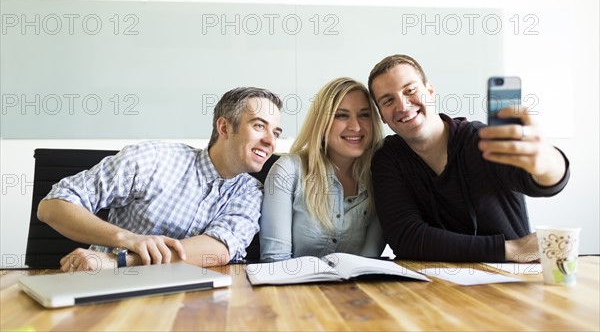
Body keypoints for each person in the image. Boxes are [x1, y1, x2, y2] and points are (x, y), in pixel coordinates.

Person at [38, 87, 283, 272]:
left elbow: (217, 250)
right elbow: (52, 206)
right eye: (260, 126)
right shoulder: (154, 159)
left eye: (276, 132)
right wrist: (127, 239)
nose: (270, 141)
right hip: (103, 284)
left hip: (189, 300)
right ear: (224, 128)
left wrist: (119, 260)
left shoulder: (251, 192)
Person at [367, 54, 570, 263]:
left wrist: (548, 162)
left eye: (410, 90)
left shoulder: (481, 141)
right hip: (433, 288)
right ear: (382, 114)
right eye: (388, 100)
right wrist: (509, 248)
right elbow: (406, 238)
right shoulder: (388, 159)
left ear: (430, 91)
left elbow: (542, 182)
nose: (402, 105)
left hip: (510, 281)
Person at [260, 77, 386, 261]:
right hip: (294, 287)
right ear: (322, 123)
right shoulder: (288, 171)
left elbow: (368, 261)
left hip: (355, 288)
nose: (356, 126)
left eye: (364, 115)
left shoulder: (380, 177)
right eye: (342, 115)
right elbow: (275, 260)